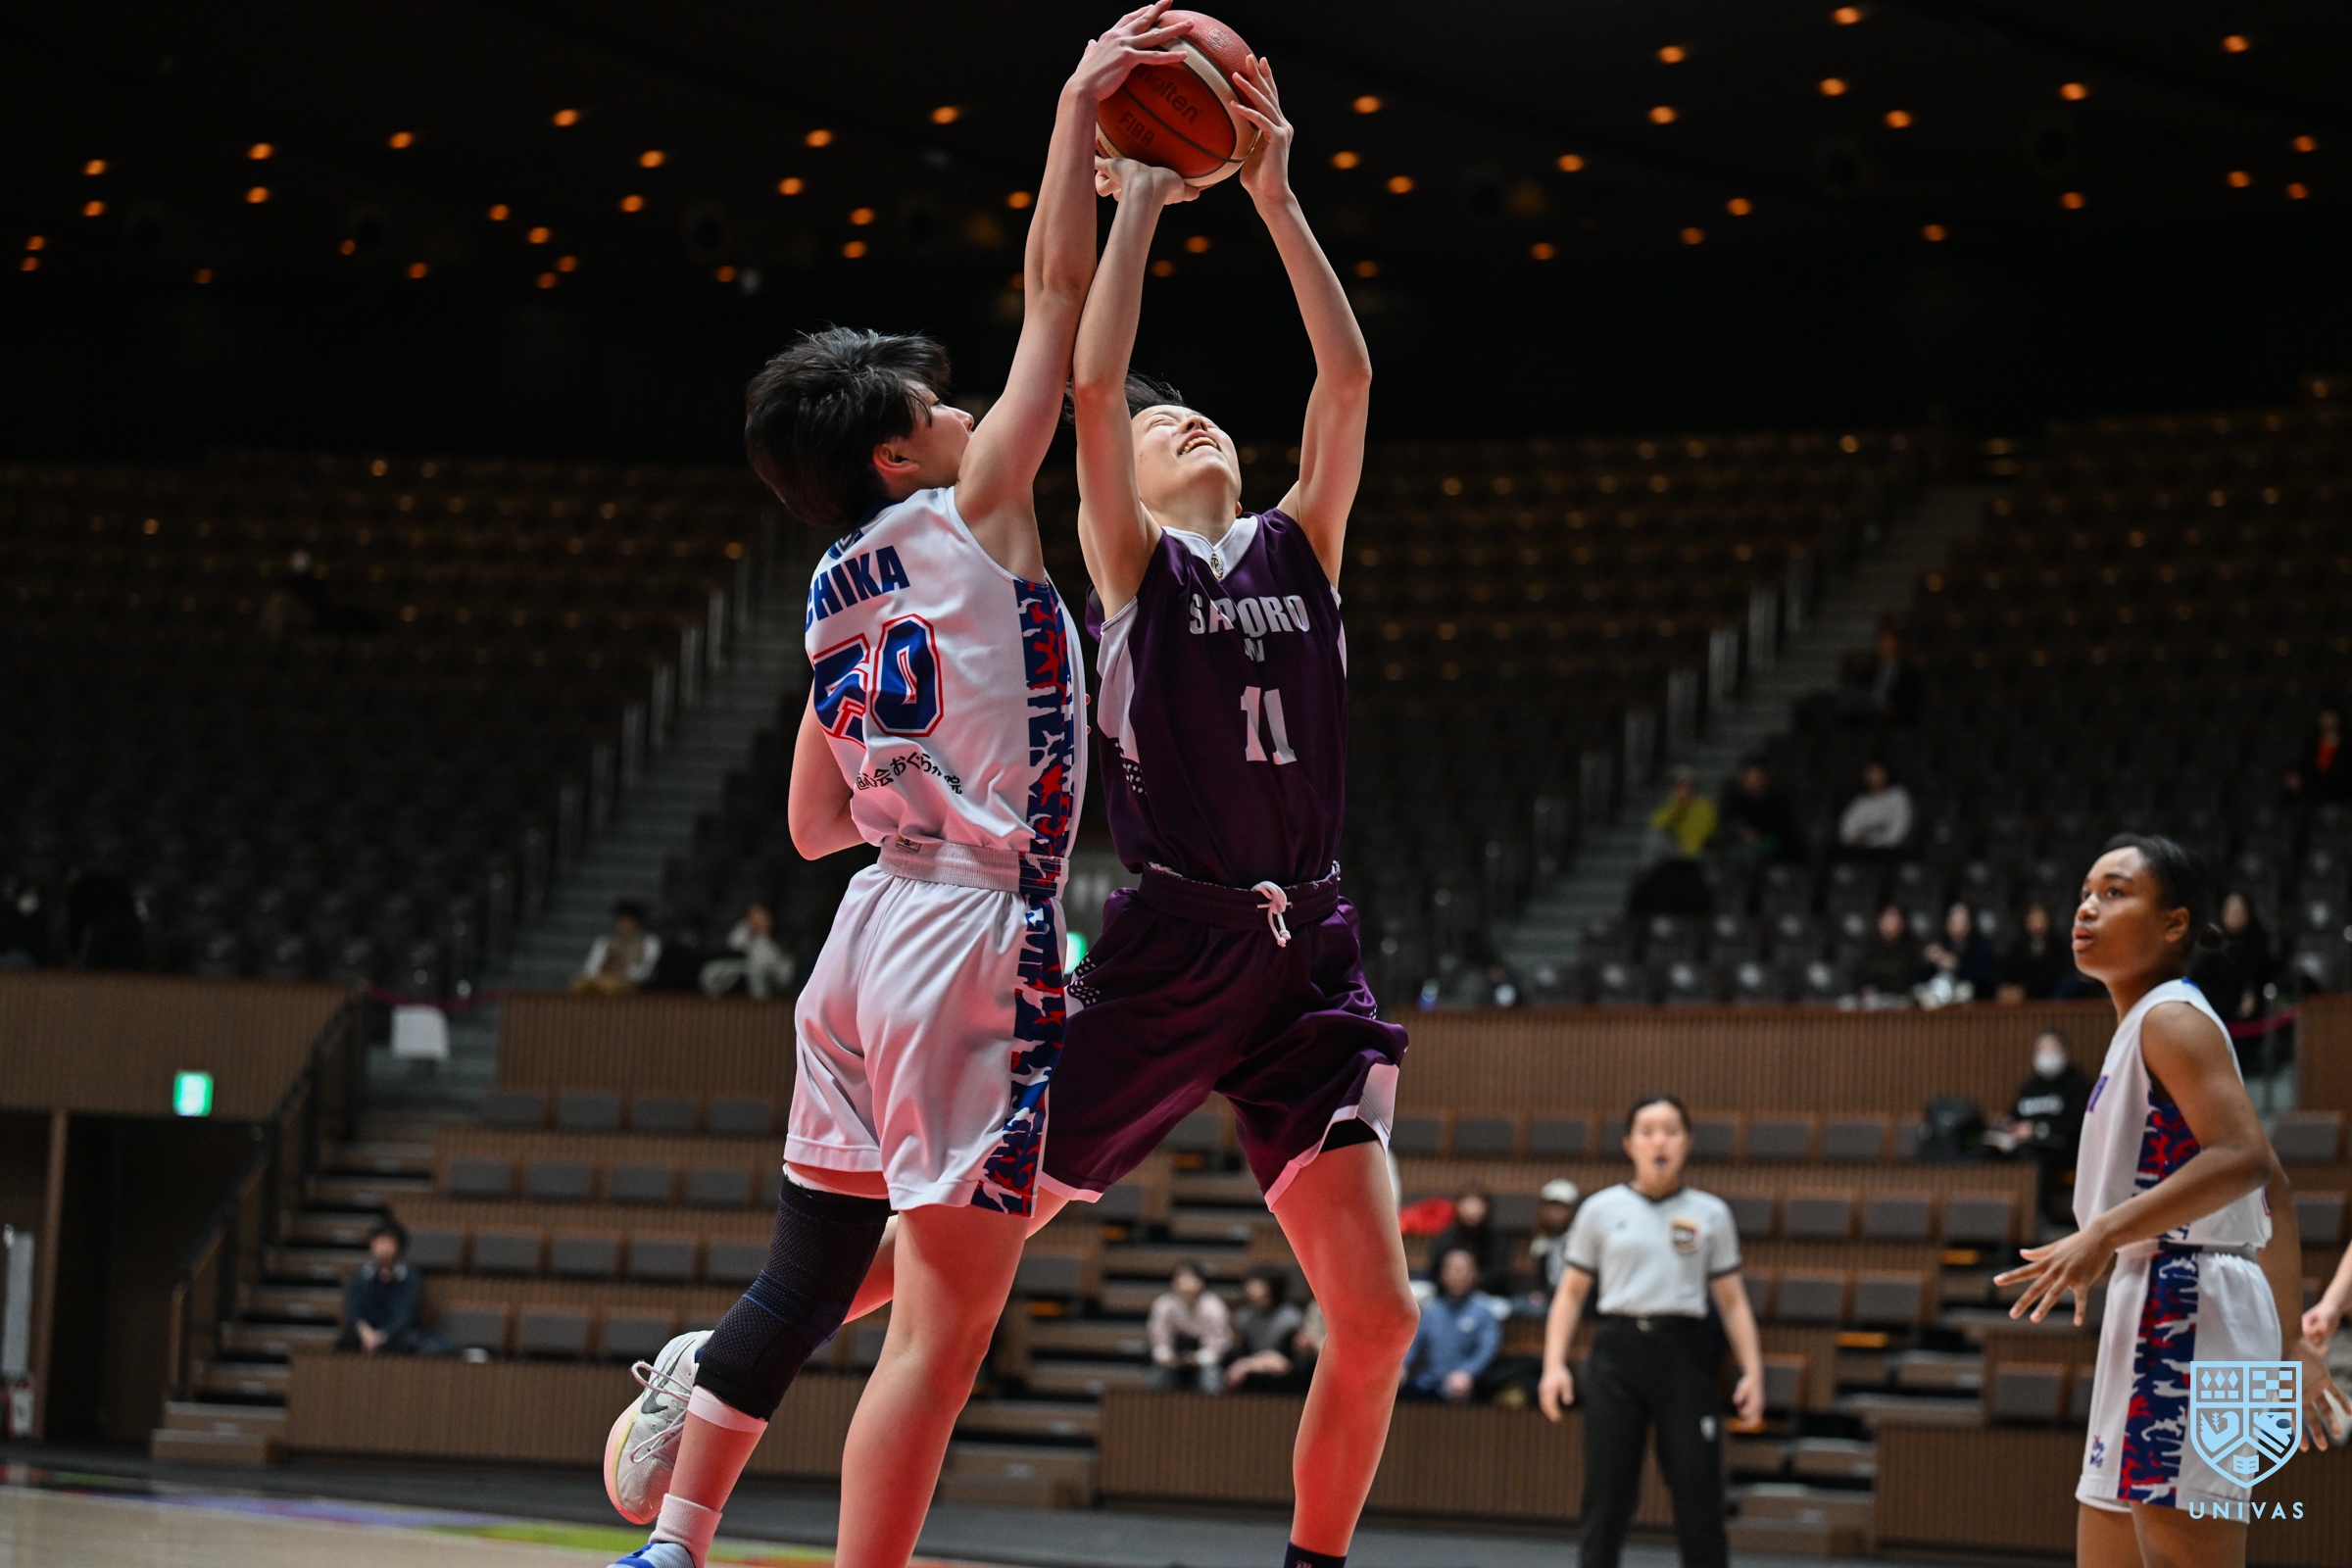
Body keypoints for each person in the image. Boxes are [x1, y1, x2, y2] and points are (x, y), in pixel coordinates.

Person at [731, 56, 1421, 1568]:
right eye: (1171, 431)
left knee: (1380, 1320)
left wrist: (1278, 195)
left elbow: (1350, 382)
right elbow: (1095, 388)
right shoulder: (1131, 570)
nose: (1196, 426)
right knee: (964, 1244)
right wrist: (1148, 205)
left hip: (1308, 958)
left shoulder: (1305, 542)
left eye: (1208, 420)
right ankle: (741, 1348)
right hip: (1171, 948)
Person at [594, 17, 1185, 1568]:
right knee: (945, 1322)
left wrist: (911, 773)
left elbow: (811, 825)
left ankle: (676, 1541)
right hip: (971, 935)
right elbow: (1053, 297)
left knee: (812, 1272)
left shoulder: (827, 593)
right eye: (939, 407)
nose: (968, 411)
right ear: (903, 457)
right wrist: (1081, 116)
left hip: (860, 938)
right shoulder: (975, 510)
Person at [1994, 834, 2330, 1567]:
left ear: (2175, 923)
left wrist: (2102, 1233)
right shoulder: (2143, 1024)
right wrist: (2291, 1343)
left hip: (2192, 1305)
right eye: (2086, 892)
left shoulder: (2172, 1019)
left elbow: (2243, 1159)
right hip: (2161, 1296)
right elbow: (2274, 1185)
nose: (2087, 908)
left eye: (2115, 893)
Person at [1539, 1095, 1764, 1568]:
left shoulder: (1711, 1214)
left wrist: (1753, 1372)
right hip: (1617, 1355)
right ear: (1629, 1144)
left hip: (1685, 1356)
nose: (1659, 1141)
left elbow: (1732, 1301)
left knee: (1699, 1499)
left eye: (1671, 1131)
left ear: (1688, 1142)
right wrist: (1553, 1365)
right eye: (1647, 1131)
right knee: (1606, 1500)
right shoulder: (1600, 1210)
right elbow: (1571, 1294)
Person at [1982, 1031, 2095, 1226]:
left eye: (2051, 1049)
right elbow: (2017, 1115)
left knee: (2029, 1155)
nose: (2046, 1055)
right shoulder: (2031, 1086)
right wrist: (2009, 1126)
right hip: (2027, 1144)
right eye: (2042, 1050)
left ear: (2064, 1051)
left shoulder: (2077, 1084)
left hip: (2063, 1147)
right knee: (1990, 1151)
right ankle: (1995, 1216)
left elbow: (2077, 1123)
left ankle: (2036, 1216)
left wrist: (2037, 1129)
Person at [1401, 1249, 1501, 1402]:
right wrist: (1402, 1366)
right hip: (1430, 1383)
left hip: (1468, 1386)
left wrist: (1467, 1372)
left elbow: (1487, 1349)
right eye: (1452, 1269)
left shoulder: (1483, 1312)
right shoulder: (1432, 1310)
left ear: (1474, 1274)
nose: (1457, 1274)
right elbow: (1413, 1344)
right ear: (1443, 1274)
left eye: (1462, 1269)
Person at [337, 1224, 440, 1355]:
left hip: (397, 1335)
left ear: (399, 1246)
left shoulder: (411, 1278)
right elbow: (353, 1309)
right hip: (365, 1333)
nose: (383, 1248)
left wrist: (382, 1336)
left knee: (407, 1344)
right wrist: (365, 1332)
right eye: (379, 1243)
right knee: (345, 1344)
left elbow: (405, 1315)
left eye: (388, 1243)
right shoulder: (360, 1276)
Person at [1149, 1260, 1234, 1393]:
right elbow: (1159, 1339)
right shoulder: (1163, 1305)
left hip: (1205, 1360)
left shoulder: (1214, 1306)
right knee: (1157, 1379)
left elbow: (1219, 1345)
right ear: (1173, 1283)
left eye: (1191, 1279)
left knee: (1211, 1380)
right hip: (1173, 1358)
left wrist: (1197, 1359)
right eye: (1181, 1279)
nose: (1186, 1285)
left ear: (1202, 1282)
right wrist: (1167, 1356)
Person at [1225, 1268, 1307, 1392]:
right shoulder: (1244, 1316)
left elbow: (1287, 1363)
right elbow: (1241, 1351)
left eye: (1258, 1284)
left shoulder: (1291, 1317)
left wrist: (1249, 1364)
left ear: (1272, 1287)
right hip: (1252, 1372)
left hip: (1285, 1377)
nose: (1251, 1288)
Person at [697, 904, 796, 1000]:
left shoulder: (771, 938)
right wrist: (751, 930)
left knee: (757, 972)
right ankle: (711, 999)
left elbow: (775, 964)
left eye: (762, 918)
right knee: (711, 971)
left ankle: (759, 1004)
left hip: (770, 974)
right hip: (740, 966)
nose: (760, 921)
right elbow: (734, 945)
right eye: (756, 918)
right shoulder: (743, 929)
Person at [1428, 1185, 1512, 1297]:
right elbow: (1435, 1270)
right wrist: (1452, 1282)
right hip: (1447, 1296)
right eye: (1467, 1204)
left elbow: (1498, 1274)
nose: (1471, 1210)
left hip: (1487, 1295)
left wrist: (1468, 1281)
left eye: (1476, 1205)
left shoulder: (1497, 1237)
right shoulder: (1446, 1237)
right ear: (1458, 1206)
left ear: (1486, 1207)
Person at [1715, 760, 1803, 867]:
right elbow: (1728, 826)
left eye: (1756, 776)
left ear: (1766, 778)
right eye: (1747, 776)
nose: (1751, 781)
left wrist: (1760, 841)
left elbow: (1783, 837)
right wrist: (1740, 833)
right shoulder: (1736, 803)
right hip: (1742, 854)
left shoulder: (1778, 804)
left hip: (1777, 854)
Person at [1918, 901, 1998, 1003]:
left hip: (1971, 999)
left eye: (1962, 920)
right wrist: (1928, 961)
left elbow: (1984, 976)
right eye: (1953, 919)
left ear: (1970, 923)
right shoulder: (1939, 944)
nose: (1956, 924)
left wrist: (1956, 965)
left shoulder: (1981, 947)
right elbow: (1921, 978)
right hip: (1937, 998)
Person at [575, 901, 661, 995]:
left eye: (628, 922)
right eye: (621, 921)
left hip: (632, 984)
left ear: (637, 924)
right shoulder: (605, 941)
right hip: (603, 979)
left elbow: (646, 971)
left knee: (609, 986)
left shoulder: (649, 942)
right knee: (579, 985)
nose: (624, 925)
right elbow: (590, 968)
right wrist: (603, 969)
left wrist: (624, 968)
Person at [1522, 1178, 1582, 1311]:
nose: (1553, 1213)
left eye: (1560, 1208)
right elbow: (1539, 1282)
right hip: (1548, 1299)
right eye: (1549, 1207)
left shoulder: (1579, 1240)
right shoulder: (1541, 1241)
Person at [1995, 900, 2071, 1003]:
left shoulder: (2057, 947)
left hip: (2048, 1000)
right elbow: (2007, 969)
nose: (2036, 923)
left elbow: (2053, 975)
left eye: (2040, 918)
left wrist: (2025, 990)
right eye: (2032, 919)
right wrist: (2007, 988)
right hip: (2019, 1002)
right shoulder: (2018, 945)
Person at [1836, 761, 1913, 858]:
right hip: (1859, 853)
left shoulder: (1898, 796)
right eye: (1869, 773)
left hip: (1891, 854)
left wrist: (1872, 842)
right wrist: (1855, 840)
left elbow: (1899, 831)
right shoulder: (1861, 801)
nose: (1872, 776)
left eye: (1876, 772)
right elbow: (1847, 829)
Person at [1852, 904, 1920, 1004]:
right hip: (1871, 998)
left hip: (1900, 999)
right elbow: (1856, 974)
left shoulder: (1911, 948)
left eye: (1894, 920)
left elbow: (1911, 980)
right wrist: (1865, 988)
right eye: (1887, 919)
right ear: (1879, 921)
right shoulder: (1867, 946)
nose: (1889, 923)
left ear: (1902, 925)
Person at [2283, 704, 2348, 804]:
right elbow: (2302, 766)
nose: (2326, 721)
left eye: (2330, 718)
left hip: (2338, 797)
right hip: (2311, 794)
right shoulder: (2311, 743)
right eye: (2323, 718)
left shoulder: (2346, 746)